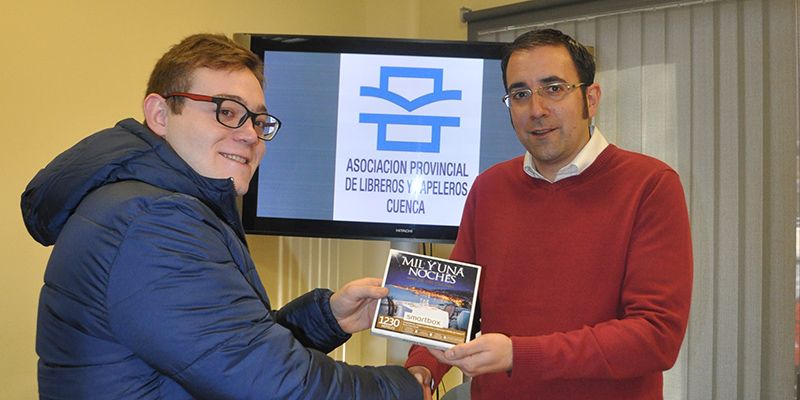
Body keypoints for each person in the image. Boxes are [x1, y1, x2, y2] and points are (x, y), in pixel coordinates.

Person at [21, 33, 428, 400]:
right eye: (227, 112)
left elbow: (225, 346)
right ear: (160, 115)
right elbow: (272, 384)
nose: (250, 134)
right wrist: (404, 387)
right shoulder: (155, 221)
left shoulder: (147, 204)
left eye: (258, 119)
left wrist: (327, 318)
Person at [405, 28, 693, 399]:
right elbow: (449, 303)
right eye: (520, 94)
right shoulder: (488, 188)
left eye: (553, 88)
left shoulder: (651, 185)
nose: (536, 109)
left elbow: (656, 337)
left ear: (591, 98)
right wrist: (421, 365)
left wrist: (518, 355)